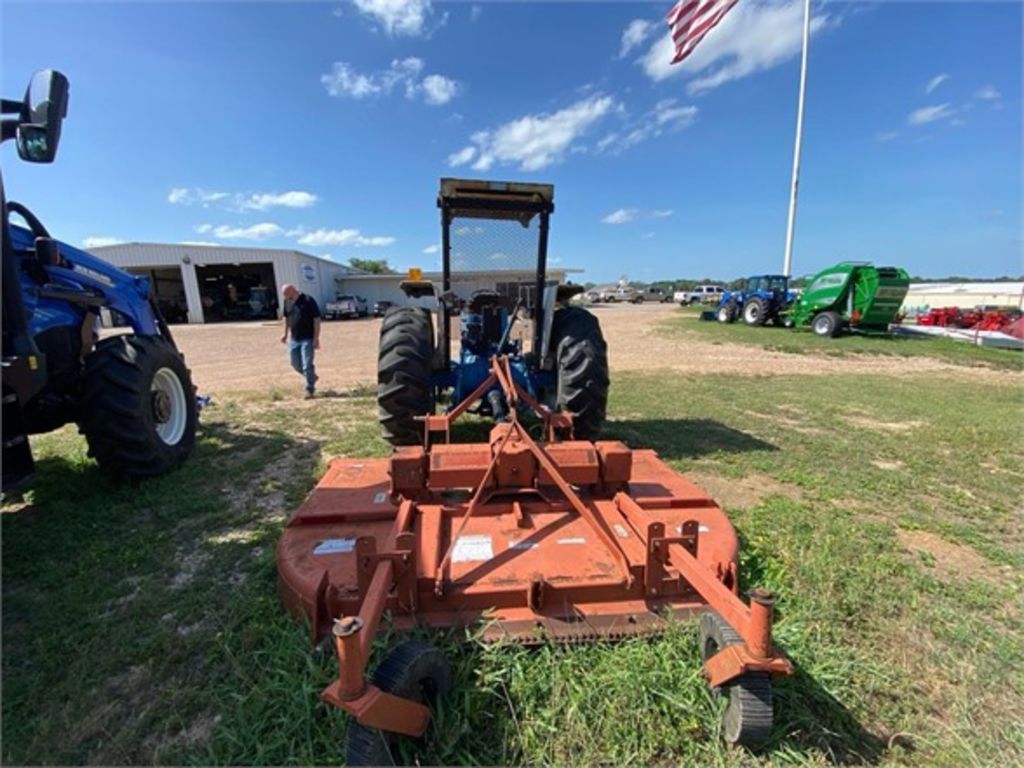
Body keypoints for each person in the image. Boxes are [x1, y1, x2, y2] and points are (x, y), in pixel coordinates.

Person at [280, 283, 321, 398]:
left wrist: (316, 338)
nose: (286, 297)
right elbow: (286, 319)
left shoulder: (308, 300)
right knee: (295, 363)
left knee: (307, 364)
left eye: (287, 294)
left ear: (293, 290)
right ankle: (312, 377)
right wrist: (284, 334)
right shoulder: (287, 302)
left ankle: (309, 389)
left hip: (307, 338)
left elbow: (316, 319)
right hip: (294, 339)